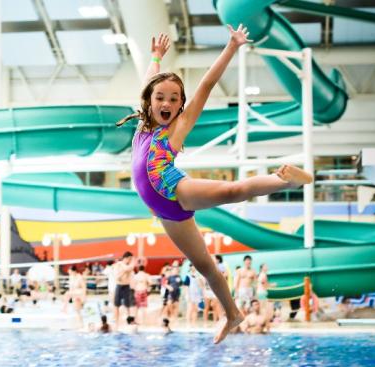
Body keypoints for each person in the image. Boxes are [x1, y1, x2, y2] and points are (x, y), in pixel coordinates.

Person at [117, 27, 313, 343]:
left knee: (232, 191)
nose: (166, 102)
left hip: (174, 190)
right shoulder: (142, 125)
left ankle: (284, 178)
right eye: (160, 98)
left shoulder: (177, 127)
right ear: (149, 101)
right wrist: (155, 57)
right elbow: (149, 81)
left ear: (181, 104)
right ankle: (233, 314)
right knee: (205, 265)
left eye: (174, 99)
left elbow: (207, 84)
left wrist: (232, 46)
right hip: (165, 213)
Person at [113, 252, 137, 327]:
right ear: (126, 258)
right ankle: (116, 322)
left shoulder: (124, 265)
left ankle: (129, 321)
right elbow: (117, 276)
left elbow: (128, 268)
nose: (130, 261)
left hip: (126, 286)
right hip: (119, 286)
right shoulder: (118, 265)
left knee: (127, 305)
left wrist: (123, 269)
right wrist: (124, 269)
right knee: (116, 305)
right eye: (130, 259)